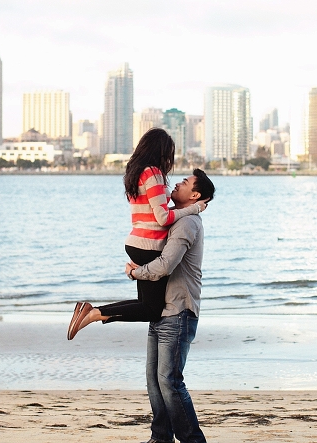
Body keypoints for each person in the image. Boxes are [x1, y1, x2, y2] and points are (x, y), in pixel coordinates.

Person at [67, 128, 205, 340]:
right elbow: (163, 218)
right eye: (169, 154)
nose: (169, 160)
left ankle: (94, 312)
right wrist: (194, 209)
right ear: (161, 152)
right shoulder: (154, 174)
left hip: (136, 243)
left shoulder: (137, 173)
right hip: (149, 244)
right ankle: (94, 313)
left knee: (145, 304)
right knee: (152, 310)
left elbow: (157, 209)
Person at [128, 169, 215, 443]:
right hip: (162, 310)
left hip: (178, 311)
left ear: (195, 195)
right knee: (155, 380)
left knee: (170, 380)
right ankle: (161, 438)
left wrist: (136, 272)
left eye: (185, 182)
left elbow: (165, 266)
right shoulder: (176, 218)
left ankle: (193, 440)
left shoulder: (187, 224)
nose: (177, 183)